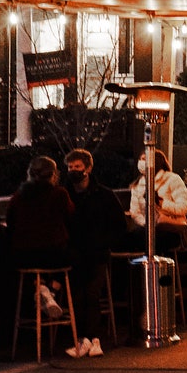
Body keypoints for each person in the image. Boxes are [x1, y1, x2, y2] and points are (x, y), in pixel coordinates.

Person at [64, 148, 129, 358]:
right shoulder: (66, 194)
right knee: (78, 296)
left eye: (77, 167)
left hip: (96, 253)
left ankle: (90, 338)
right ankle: (87, 338)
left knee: (91, 294)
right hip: (76, 254)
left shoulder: (104, 195)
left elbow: (119, 226)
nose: (73, 170)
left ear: (88, 168)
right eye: (70, 167)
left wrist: (103, 243)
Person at [7, 155, 75, 329]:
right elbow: (70, 217)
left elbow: (10, 222)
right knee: (72, 256)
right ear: (53, 174)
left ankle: (41, 289)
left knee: (33, 259)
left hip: (23, 257)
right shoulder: (60, 194)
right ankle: (51, 291)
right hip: (53, 255)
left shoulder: (18, 196)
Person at [128, 149, 187, 251]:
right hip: (146, 229)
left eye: (144, 159)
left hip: (168, 228)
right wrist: (147, 224)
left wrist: (162, 203)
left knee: (151, 240)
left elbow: (183, 207)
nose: (141, 163)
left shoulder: (172, 179)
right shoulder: (138, 184)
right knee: (133, 238)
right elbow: (135, 212)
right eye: (140, 159)